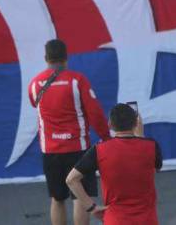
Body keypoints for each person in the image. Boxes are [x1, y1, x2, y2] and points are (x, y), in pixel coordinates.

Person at [29, 39, 110, 225]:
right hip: (77, 149)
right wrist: (106, 137)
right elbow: (95, 114)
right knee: (80, 198)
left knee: (57, 199)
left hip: (50, 151)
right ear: (66, 58)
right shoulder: (77, 80)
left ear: (46, 58)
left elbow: (34, 103)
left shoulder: (34, 84)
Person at [66, 103, 162, 224]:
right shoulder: (151, 146)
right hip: (147, 220)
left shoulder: (99, 150)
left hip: (115, 219)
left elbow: (71, 180)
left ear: (110, 124)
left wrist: (91, 207)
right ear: (136, 123)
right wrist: (140, 136)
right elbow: (154, 169)